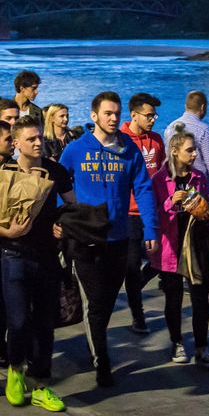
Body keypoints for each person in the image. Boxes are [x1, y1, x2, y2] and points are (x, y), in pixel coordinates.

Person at [61, 91, 158, 387]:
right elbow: (57, 185)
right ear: (94, 116)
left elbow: (142, 188)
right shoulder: (76, 150)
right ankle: (102, 360)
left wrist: (151, 229)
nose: (113, 118)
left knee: (106, 298)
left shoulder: (129, 149)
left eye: (116, 113)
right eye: (107, 113)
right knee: (95, 301)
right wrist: (61, 221)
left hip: (119, 236)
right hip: (85, 239)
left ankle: (99, 349)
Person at [0, 116, 75, 411]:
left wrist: (62, 225)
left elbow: (73, 206)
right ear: (16, 143)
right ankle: (15, 370)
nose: (38, 142)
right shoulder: (3, 174)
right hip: (14, 255)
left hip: (47, 256)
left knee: (45, 325)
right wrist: (7, 232)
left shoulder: (55, 170)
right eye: (31, 139)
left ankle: (41, 385)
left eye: (40, 137)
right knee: (18, 321)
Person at [150, 123, 209, 367]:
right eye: (190, 150)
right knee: (173, 298)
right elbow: (153, 214)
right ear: (175, 151)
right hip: (170, 247)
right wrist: (171, 202)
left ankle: (202, 347)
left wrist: (205, 209)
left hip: (195, 247)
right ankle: (177, 342)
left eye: (196, 149)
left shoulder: (199, 178)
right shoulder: (159, 179)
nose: (195, 154)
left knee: (200, 297)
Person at [120, 92, 166, 334]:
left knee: (163, 258)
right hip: (128, 214)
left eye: (155, 115)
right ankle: (138, 316)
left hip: (153, 212)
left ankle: (136, 286)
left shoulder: (157, 141)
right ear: (134, 115)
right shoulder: (120, 140)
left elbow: (161, 174)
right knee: (131, 264)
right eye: (149, 115)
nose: (153, 119)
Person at [171, 90, 209, 195]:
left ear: (186, 106)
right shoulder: (204, 130)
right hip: (198, 187)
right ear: (203, 107)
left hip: (173, 188)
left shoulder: (170, 128)